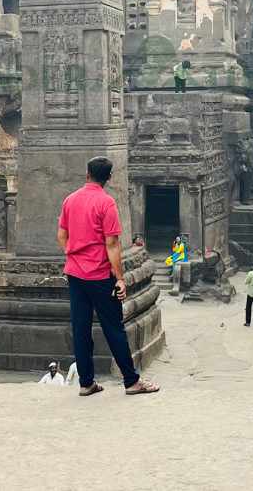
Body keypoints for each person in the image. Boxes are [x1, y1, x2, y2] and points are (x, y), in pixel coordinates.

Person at [57, 156, 159, 396]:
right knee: (113, 328)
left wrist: (73, 253)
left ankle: (86, 382)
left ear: (87, 174)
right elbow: (112, 244)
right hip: (100, 276)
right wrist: (120, 278)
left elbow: (62, 235)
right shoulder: (106, 203)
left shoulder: (70, 200)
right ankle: (131, 381)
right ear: (109, 178)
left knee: (80, 328)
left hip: (75, 274)